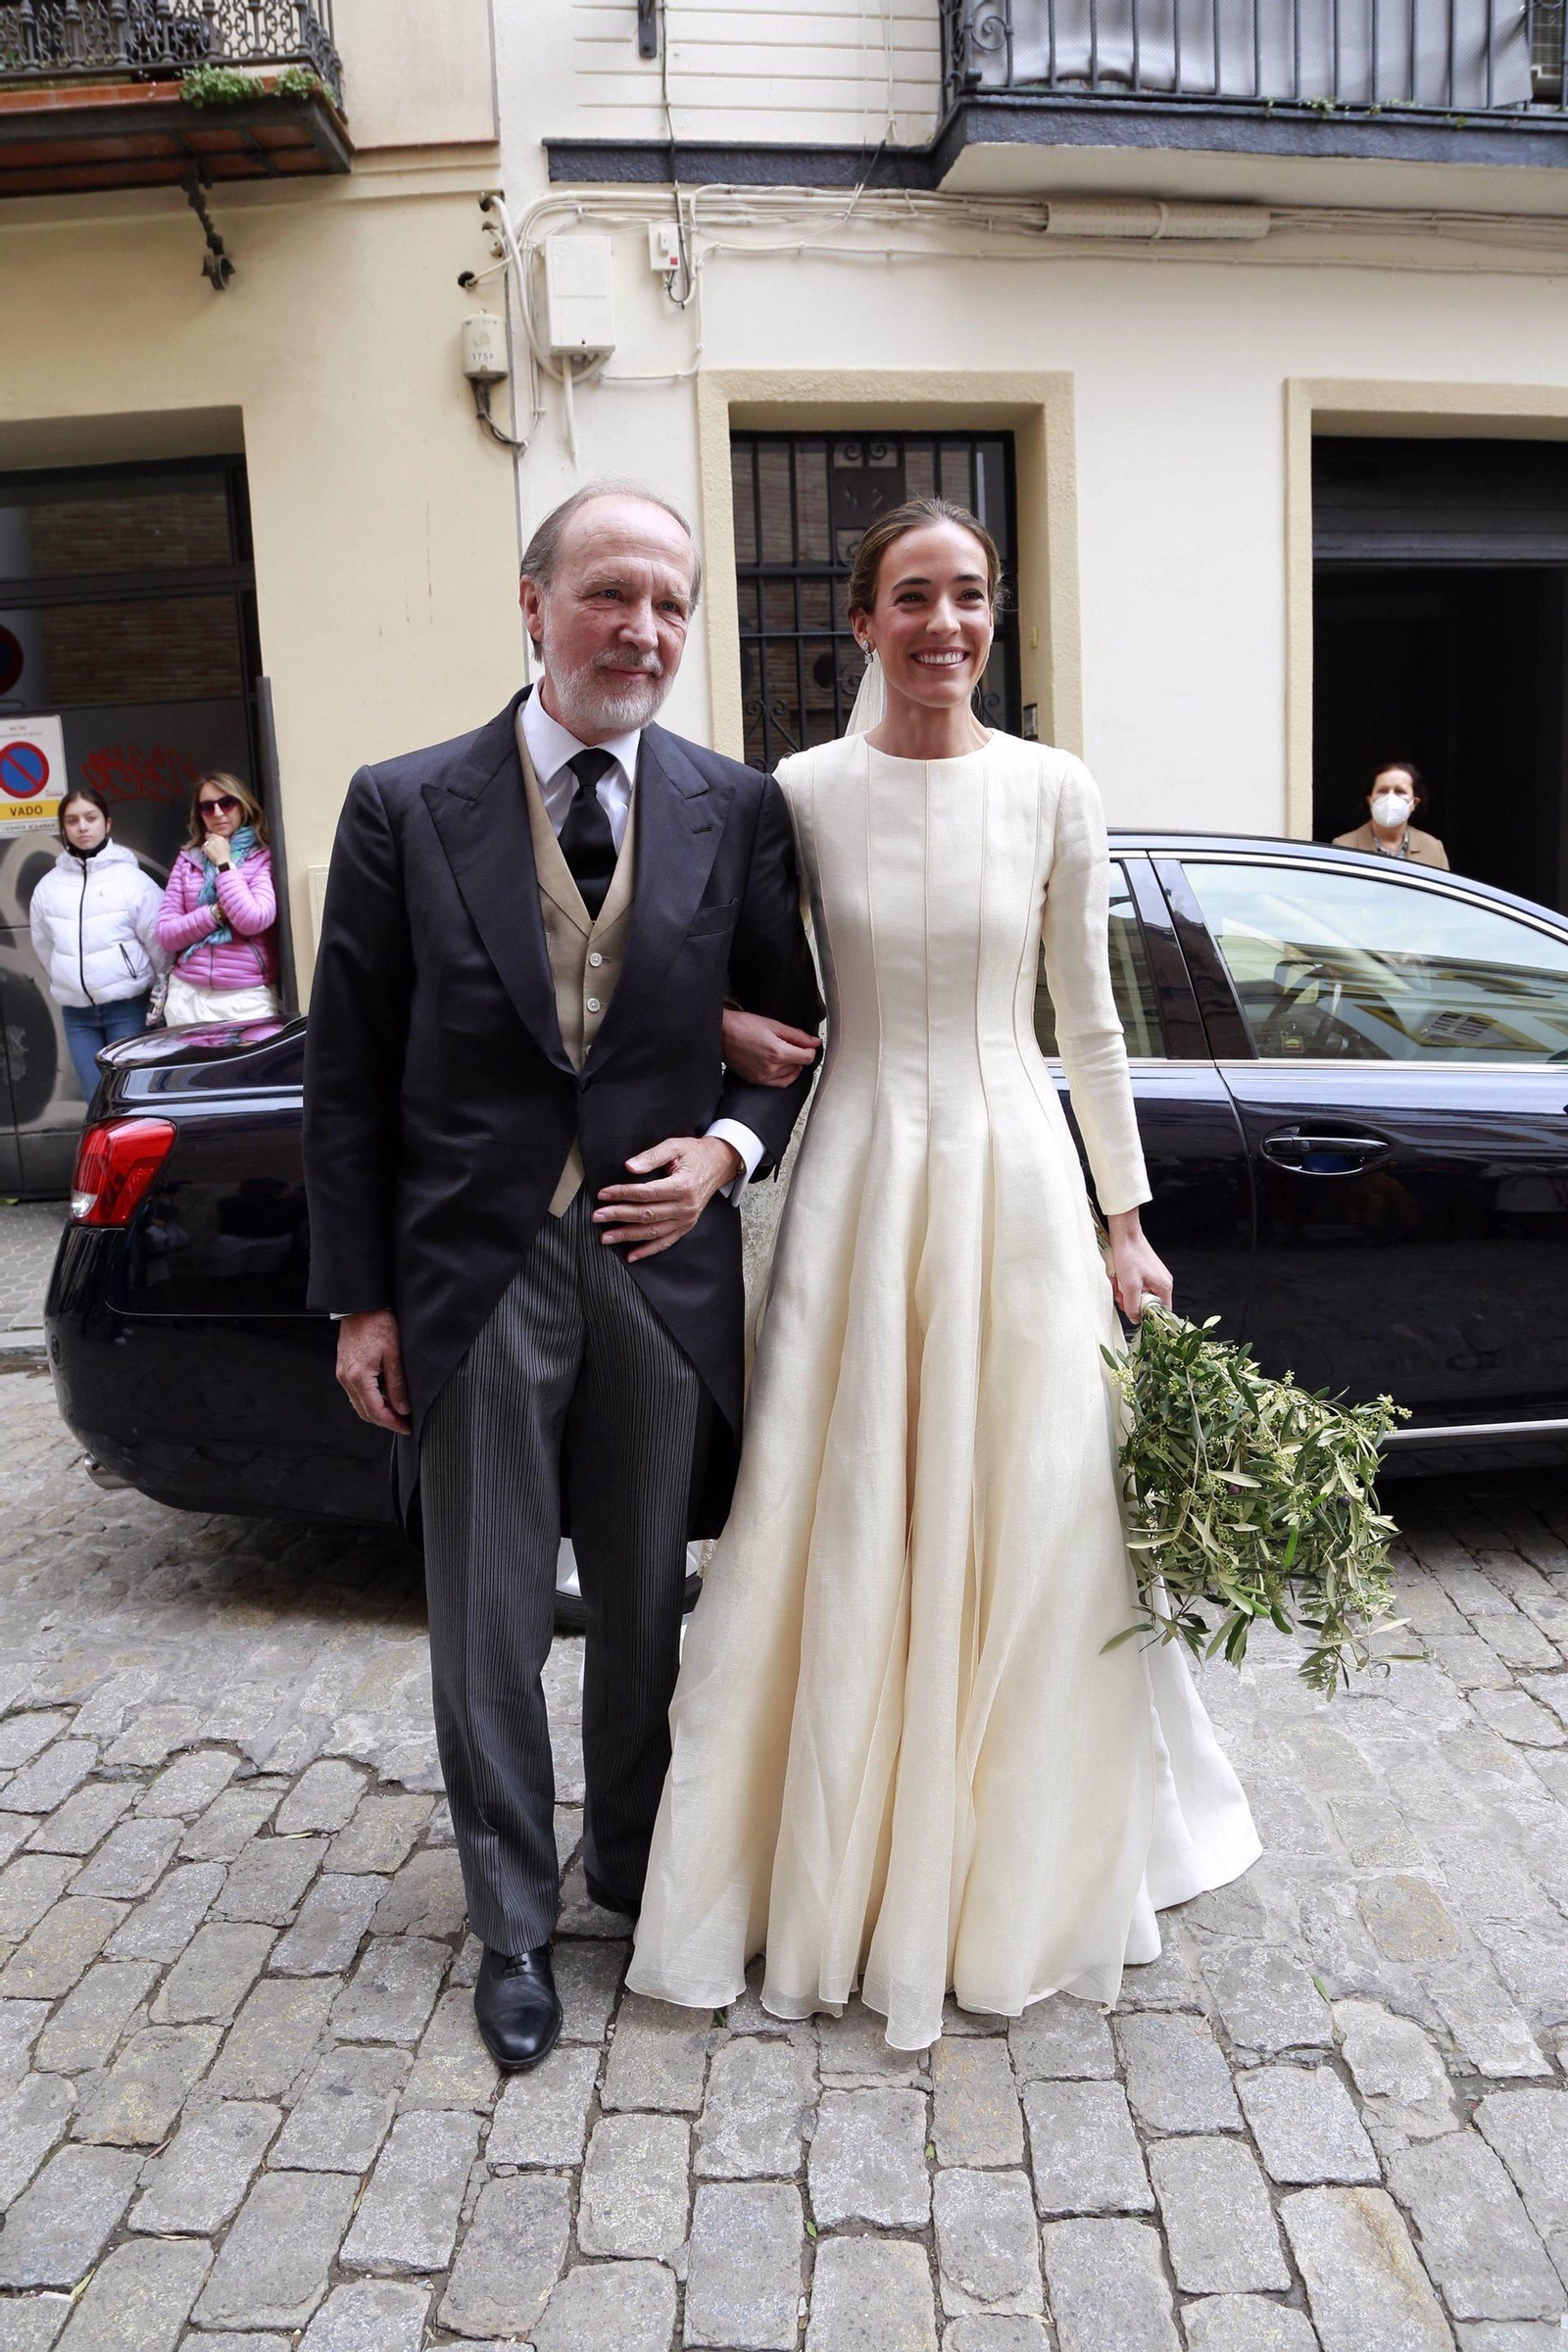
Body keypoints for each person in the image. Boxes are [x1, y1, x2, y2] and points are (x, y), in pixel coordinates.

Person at [628, 498, 1260, 2049]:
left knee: (1029, 1508)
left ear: (995, 619)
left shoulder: (1055, 788)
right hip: (851, 1182)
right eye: (913, 597)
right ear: (863, 623)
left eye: (970, 596)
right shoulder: (802, 792)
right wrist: (724, 1035)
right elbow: (694, 960)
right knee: (843, 1503)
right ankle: (832, 1845)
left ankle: (1010, 1851)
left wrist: (1126, 1218)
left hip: (1015, 1178)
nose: (944, 625)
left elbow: (1088, 1022)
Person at [303, 482, 821, 2073]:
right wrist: (364, 1298)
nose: (644, 629)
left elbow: (789, 1038)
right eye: (610, 595)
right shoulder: (404, 806)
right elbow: (351, 1072)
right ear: (532, 605)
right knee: (490, 1615)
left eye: (668, 602)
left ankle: (631, 1867)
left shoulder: (735, 807)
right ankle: (515, 1924)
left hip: (658, 1275)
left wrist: (727, 1154)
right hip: (473, 1268)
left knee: (653, 1613)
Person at [28, 785, 166, 1103]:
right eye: (73, 820)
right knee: (96, 1100)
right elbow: (45, 947)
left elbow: (160, 944)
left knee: (132, 1098)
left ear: (107, 822)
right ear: (64, 828)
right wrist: (70, 979)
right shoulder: (48, 888)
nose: (83, 827)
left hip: (128, 1008)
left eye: (91, 817)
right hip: (77, 1015)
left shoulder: (133, 881)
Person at [156, 772, 280, 1024]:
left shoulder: (263, 857)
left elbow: (253, 919)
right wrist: (215, 914)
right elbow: (166, 935)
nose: (218, 812)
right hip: (188, 995)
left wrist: (224, 863)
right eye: (207, 807)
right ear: (199, 814)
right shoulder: (188, 860)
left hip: (245, 996)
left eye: (227, 803)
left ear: (243, 805)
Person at [1334, 760, 1448, 867]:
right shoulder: (1345, 846)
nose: (1390, 798)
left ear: (1414, 803)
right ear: (1370, 800)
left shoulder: (1433, 848)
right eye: (1383, 791)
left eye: (1400, 791)